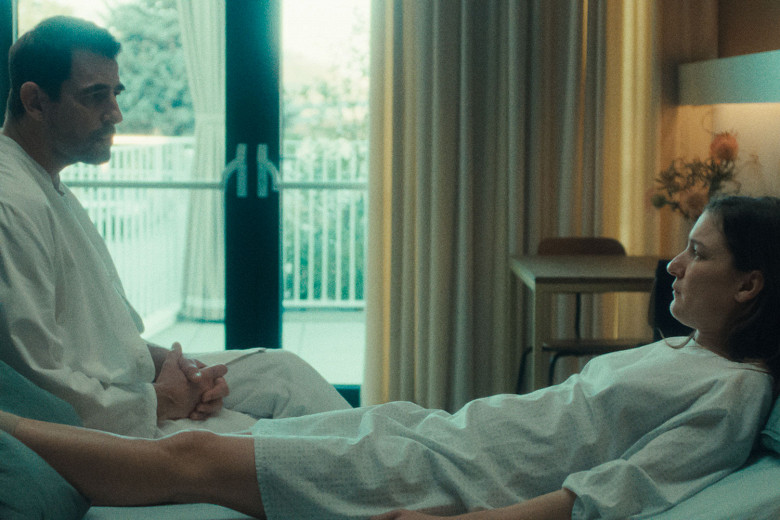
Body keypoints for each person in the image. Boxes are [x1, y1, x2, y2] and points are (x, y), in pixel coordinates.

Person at [1, 195, 779, 520]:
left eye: (698, 253)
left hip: (447, 479)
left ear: (750, 285)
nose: (673, 265)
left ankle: (10, 429)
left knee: (198, 458)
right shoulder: (684, 348)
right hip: (439, 437)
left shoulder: (735, 391)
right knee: (222, 441)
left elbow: (612, 492)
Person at [0, 15, 350, 439]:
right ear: (35, 102)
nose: (116, 114)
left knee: (283, 373)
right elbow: (38, 386)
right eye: (95, 97)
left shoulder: (49, 186)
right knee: (290, 443)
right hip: (107, 430)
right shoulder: (11, 205)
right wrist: (165, 400)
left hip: (135, 389)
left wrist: (184, 370)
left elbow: (106, 339)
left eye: (115, 94)